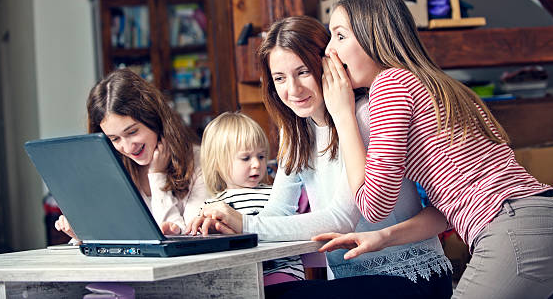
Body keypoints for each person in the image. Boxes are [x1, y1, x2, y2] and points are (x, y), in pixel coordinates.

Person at [314, 0, 553, 299]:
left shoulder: (390, 84)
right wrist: (384, 237)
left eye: (339, 36)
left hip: (518, 231)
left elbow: (373, 204)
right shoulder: (445, 87)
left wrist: (342, 115)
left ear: (375, 36)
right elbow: (447, 211)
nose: (328, 51)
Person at [186, 16, 452, 298]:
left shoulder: (363, 115)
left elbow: (340, 219)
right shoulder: (297, 133)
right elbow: (278, 211)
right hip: (353, 281)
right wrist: (228, 225)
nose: (293, 90)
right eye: (280, 78)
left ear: (329, 65)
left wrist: (247, 224)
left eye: (303, 72)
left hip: (411, 277)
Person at [55, 68, 207, 241]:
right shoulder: (115, 166)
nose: (127, 148)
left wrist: (158, 176)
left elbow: (188, 239)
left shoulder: (199, 161)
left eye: (132, 132)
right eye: (114, 138)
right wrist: (84, 235)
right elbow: (114, 236)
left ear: (154, 118)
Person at [199, 111, 306, 285]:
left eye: (261, 156)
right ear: (218, 163)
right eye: (246, 158)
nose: (257, 164)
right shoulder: (213, 206)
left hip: (282, 274)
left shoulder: (279, 194)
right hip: (238, 281)